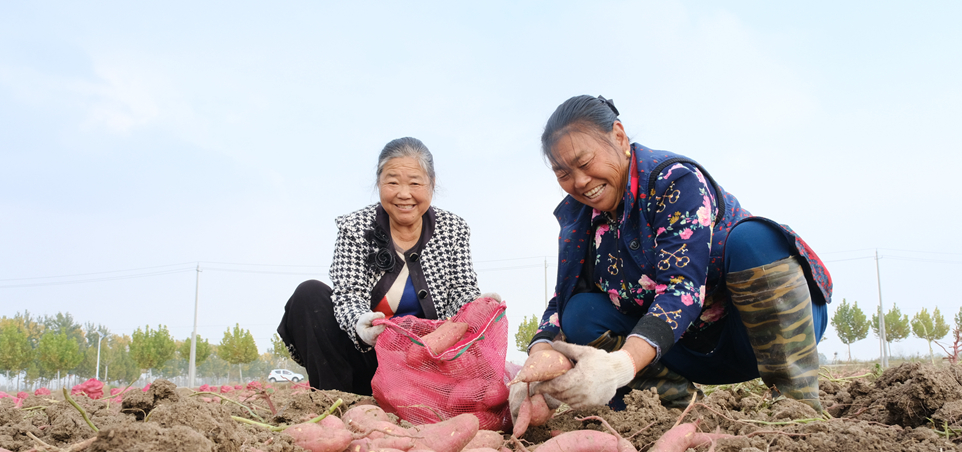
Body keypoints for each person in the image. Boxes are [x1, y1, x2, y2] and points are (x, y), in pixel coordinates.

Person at [510, 95, 832, 416]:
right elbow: (562, 299)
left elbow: (682, 291)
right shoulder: (581, 219)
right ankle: (672, 409)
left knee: (754, 240)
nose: (579, 182)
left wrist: (620, 366)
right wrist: (538, 355)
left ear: (619, 137)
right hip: (687, 353)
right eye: (563, 173)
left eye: (584, 162)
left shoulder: (674, 182)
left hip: (762, 336)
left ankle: (797, 405)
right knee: (579, 312)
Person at [278, 137, 494, 395]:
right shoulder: (356, 227)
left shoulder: (453, 229)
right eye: (392, 182)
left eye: (414, 183)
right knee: (309, 294)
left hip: (426, 366)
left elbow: (461, 289)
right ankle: (336, 399)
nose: (404, 194)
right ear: (379, 183)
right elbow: (348, 294)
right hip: (369, 359)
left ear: (432, 184)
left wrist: (475, 306)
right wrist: (361, 325)